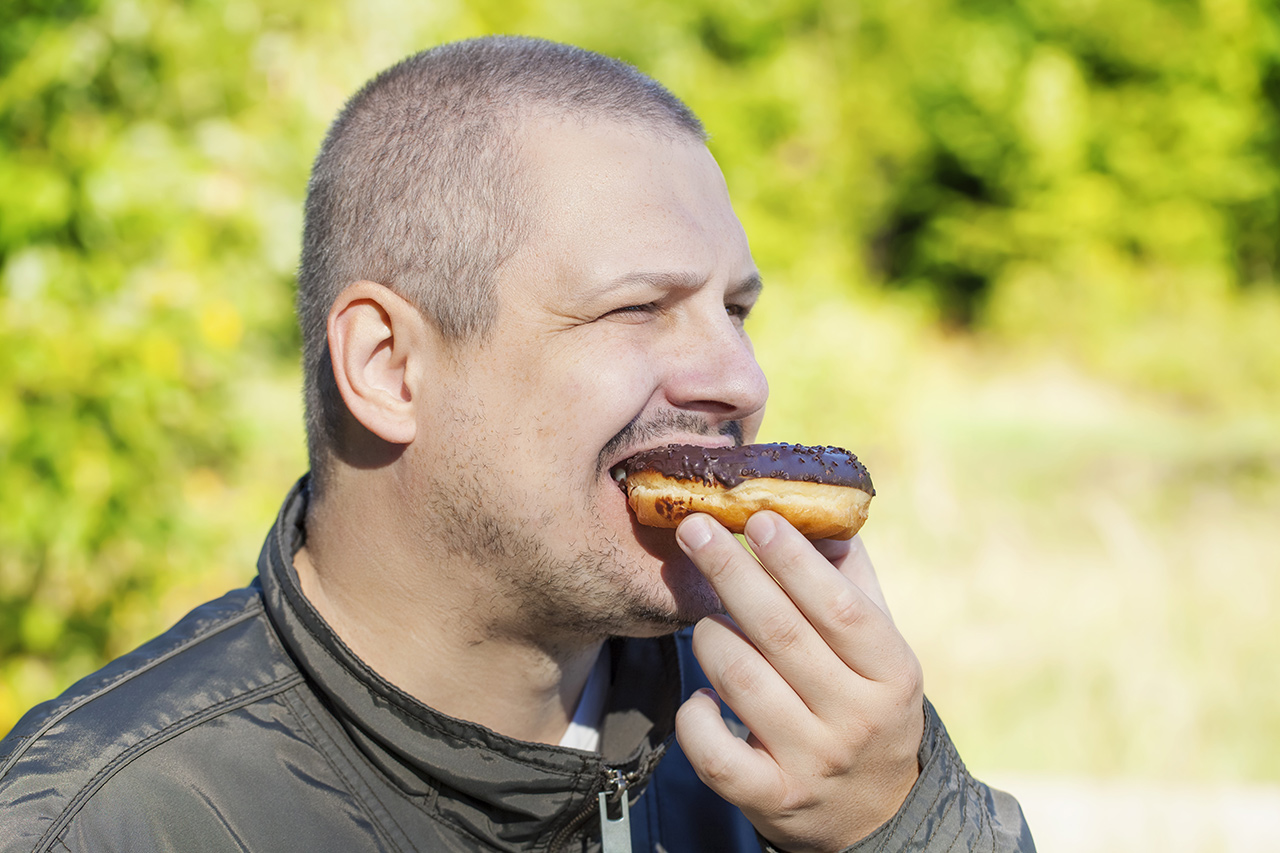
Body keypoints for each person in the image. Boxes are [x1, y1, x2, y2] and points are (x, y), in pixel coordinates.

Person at [0, 36, 1034, 852]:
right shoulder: (102, 821)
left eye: (736, 310)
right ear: (389, 368)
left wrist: (897, 826)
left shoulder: (794, 748)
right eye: (638, 308)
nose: (739, 382)